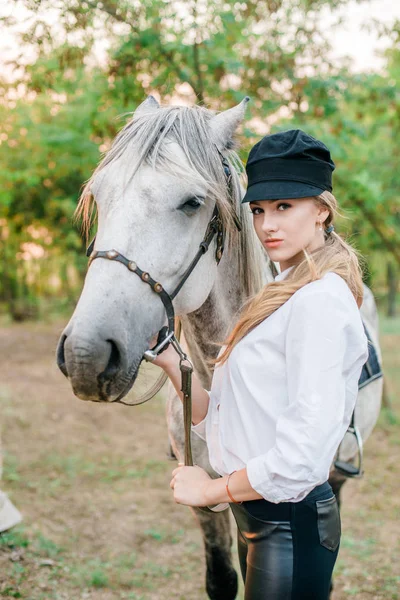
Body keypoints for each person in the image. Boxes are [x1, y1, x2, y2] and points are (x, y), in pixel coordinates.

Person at [153, 130, 368, 599]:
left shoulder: (320, 301)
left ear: (322, 210)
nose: (268, 224)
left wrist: (210, 491)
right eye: (258, 210)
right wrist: (174, 362)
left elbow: (301, 458)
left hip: (290, 528)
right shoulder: (280, 293)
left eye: (284, 206)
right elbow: (234, 420)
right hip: (261, 521)